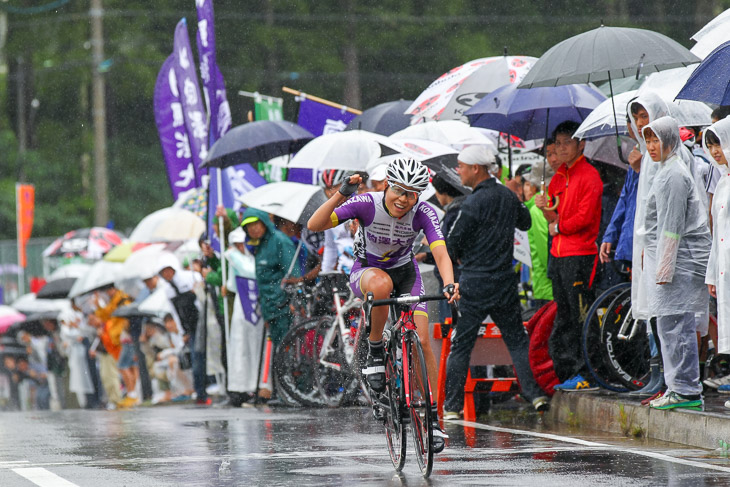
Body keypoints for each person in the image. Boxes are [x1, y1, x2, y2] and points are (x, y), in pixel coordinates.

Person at [308, 158, 459, 453]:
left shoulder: (424, 212)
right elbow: (316, 224)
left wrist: (449, 283)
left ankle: (433, 417)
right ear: (387, 184)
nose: (403, 199)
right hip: (366, 272)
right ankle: (375, 349)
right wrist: (342, 194)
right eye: (399, 191)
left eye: (411, 194)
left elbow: (440, 252)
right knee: (381, 286)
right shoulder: (366, 203)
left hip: (406, 275)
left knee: (424, 341)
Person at [444, 145, 548, 416]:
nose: (459, 171)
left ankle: (453, 407)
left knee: (462, 344)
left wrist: (457, 259)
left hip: (475, 283)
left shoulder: (472, 202)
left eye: (462, 166)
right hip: (504, 281)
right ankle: (535, 394)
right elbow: (525, 223)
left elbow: (452, 242)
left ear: (476, 169)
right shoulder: (507, 195)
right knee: (516, 340)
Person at [640, 117, 711, 410]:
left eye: (657, 139)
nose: (652, 146)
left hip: (680, 262)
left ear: (670, 140)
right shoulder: (664, 170)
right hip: (674, 261)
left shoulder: (673, 175)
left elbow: (672, 226)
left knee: (676, 324)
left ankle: (685, 389)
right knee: (671, 323)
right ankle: (678, 387)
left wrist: (665, 267)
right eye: (648, 140)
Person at [535, 121, 603, 391]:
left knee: (580, 316)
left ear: (581, 144)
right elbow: (553, 217)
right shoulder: (558, 177)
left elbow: (584, 218)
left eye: (567, 143)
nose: (561, 148)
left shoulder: (590, 175)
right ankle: (567, 372)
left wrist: (558, 225)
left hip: (580, 255)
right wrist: (544, 207)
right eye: (558, 143)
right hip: (559, 254)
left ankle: (586, 371)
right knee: (564, 315)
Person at [240, 208, 299, 348]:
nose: (252, 229)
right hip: (269, 310)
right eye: (248, 226)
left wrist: (294, 302)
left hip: (284, 308)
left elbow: (294, 275)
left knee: (288, 352)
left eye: (255, 224)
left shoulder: (280, 241)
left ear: (264, 223)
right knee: (278, 353)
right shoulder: (259, 245)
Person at [157, 254, 209, 405]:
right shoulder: (168, 290)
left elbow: (202, 300)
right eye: (163, 272)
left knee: (207, 357)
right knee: (196, 359)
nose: (167, 274)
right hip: (190, 328)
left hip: (203, 322)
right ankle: (201, 393)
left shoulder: (190, 277)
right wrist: (182, 332)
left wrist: (196, 290)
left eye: (168, 270)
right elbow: (175, 312)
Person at [703, 119, 730, 404]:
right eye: (709, 145)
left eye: (718, 143)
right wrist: (712, 275)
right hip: (724, 268)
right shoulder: (723, 181)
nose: (714, 151)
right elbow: (717, 234)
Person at [522, 163, 555, 307]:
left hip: (545, 286)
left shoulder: (542, 207)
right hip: (548, 286)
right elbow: (545, 254)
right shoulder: (539, 209)